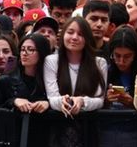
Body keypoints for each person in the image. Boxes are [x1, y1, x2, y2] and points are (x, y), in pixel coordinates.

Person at [43, 15, 109, 147]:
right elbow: (52, 97)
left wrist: (82, 101)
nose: (74, 37)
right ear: (63, 35)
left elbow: (99, 100)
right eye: (70, 32)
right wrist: (62, 101)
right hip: (58, 130)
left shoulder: (99, 63)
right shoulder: (51, 61)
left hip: (88, 130)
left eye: (80, 34)